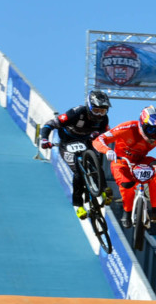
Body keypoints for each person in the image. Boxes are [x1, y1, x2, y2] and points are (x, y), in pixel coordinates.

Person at [92, 105, 156, 228]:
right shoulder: (127, 127)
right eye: (151, 129)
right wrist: (107, 150)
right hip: (121, 161)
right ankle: (127, 212)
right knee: (127, 184)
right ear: (142, 124)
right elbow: (99, 140)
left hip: (141, 161)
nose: (154, 134)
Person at [40, 90, 112, 219]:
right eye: (96, 110)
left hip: (86, 142)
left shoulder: (104, 120)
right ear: (89, 107)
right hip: (67, 144)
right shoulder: (76, 112)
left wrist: (98, 135)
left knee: (96, 157)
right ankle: (78, 205)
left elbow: (106, 135)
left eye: (103, 111)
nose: (99, 114)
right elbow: (50, 124)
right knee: (78, 172)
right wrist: (44, 139)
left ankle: (104, 188)